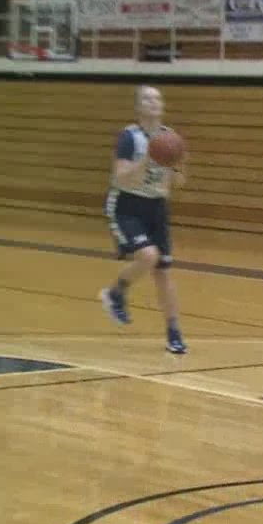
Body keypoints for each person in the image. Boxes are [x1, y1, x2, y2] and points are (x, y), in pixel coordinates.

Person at [99, 85, 188, 354]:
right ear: (138, 107)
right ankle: (117, 292)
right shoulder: (129, 137)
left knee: (162, 271)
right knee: (148, 257)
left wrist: (172, 165)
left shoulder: (171, 139)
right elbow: (120, 178)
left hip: (156, 207)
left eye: (157, 97)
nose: (153, 101)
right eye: (146, 98)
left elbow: (180, 182)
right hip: (127, 205)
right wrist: (148, 159)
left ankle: (173, 331)